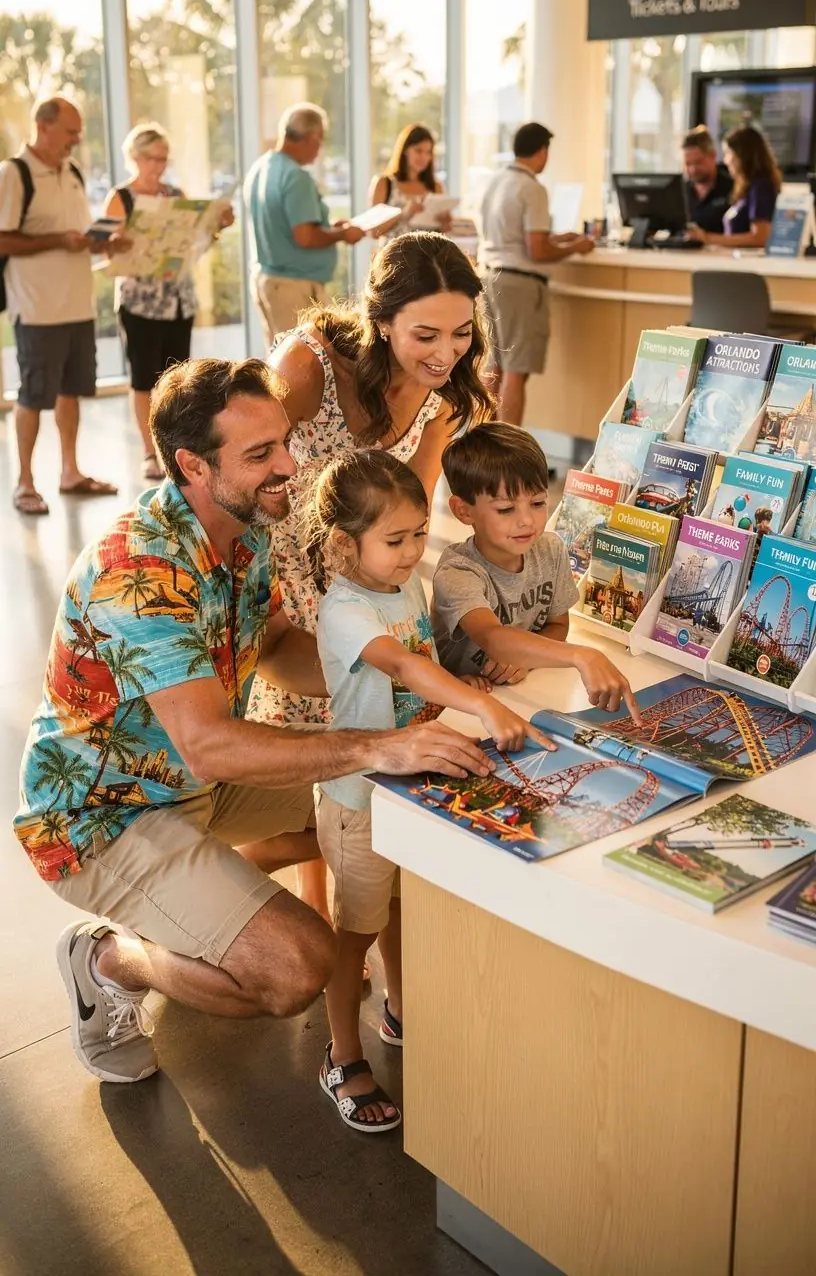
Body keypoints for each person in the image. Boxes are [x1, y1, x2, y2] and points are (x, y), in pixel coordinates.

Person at [14, 357, 492, 1085]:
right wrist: (377, 742)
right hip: (104, 818)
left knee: (378, 814)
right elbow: (208, 744)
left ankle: (203, 900)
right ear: (192, 465)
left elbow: (268, 646)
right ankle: (110, 957)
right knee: (298, 966)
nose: (290, 466)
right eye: (260, 453)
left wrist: (392, 674)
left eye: (285, 442)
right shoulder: (136, 569)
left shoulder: (244, 525)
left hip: (189, 785)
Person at [248, 230, 496, 920]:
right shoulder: (309, 366)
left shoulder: (441, 393)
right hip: (283, 565)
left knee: (351, 755)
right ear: (381, 320)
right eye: (425, 335)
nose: (447, 353)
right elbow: (242, 450)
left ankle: (334, 918)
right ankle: (263, 890)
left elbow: (404, 501)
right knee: (306, 767)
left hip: (357, 578)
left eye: (462, 334)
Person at [309, 448, 547, 1133]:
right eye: (395, 540)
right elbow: (407, 668)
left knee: (403, 907)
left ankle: (402, 1009)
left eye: (419, 533)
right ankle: (343, 1054)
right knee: (354, 930)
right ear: (343, 543)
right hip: (359, 802)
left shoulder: (402, 586)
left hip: (410, 787)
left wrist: (470, 684)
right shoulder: (346, 610)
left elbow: (430, 660)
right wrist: (482, 711)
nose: (414, 551)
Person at [431, 423, 641, 720]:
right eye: (506, 509)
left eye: (538, 503)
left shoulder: (550, 549)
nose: (527, 521)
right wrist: (582, 655)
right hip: (454, 705)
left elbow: (557, 626)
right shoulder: (457, 572)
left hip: (518, 697)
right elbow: (493, 638)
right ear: (463, 511)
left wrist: (524, 661)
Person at [0, 96, 132, 516]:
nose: (77, 139)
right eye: (70, 131)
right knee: (33, 395)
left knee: (71, 391)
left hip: (78, 306)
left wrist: (104, 242)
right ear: (43, 125)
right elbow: (3, 239)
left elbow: (77, 235)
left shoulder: (71, 171)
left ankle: (70, 472)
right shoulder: (14, 173)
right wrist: (60, 240)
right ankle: (24, 482)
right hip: (38, 307)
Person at [103, 122, 236, 482]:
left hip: (178, 299)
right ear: (134, 156)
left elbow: (192, 247)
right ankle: (150, 452)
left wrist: (216, 226)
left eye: (163, 159)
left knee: (177, 377)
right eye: (152, 158)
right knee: (144, 379)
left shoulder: (175, 193)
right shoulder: (121, 197)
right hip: (140, 302)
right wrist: (121, 242)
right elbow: (100, 245)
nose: (159, 166)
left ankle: (177, 448)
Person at [478, 122, 595, 427]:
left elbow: (519, 239)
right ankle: (509, 448)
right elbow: (537, 251)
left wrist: (560, 239)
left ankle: (483, 438)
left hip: (490, 276)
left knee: (495, 365)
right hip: (519, 284)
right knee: (515, 371)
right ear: (542, 150)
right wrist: (577, 247)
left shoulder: (496, 181)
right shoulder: (533, 188)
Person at [244, 104, 364, 346]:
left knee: (278, 357)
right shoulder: (295, 176)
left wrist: (329, 227)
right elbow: (305, 237)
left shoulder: (261, 167)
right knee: (299, 363)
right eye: (320, 142)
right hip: (292, 287)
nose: (319, 150)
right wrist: (342, 234)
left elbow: (288, 226)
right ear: (311, 137)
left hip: (267, 279)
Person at [687, 125, 781, 250]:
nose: (725, 161)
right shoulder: (747, 188)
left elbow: (760, 237)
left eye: (727, 153)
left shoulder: (761, 187)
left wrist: (707, 238)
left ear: (742, 155)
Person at [368, 124, 452, 243]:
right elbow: (374, 231)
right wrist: (403, 214)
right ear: (405, 151)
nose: (424, 157)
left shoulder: (435, 186)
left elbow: (444, 231)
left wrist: (445, 223)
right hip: (395, 258)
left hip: (428, 258)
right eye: (418, 151)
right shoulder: (384, 183)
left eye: (428, 152)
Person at [681, 125, 733, 235]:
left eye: (698, 162)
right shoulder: (679, 191)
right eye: (688, 164)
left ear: (713, 156)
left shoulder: (732, 187)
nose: (693, 169)